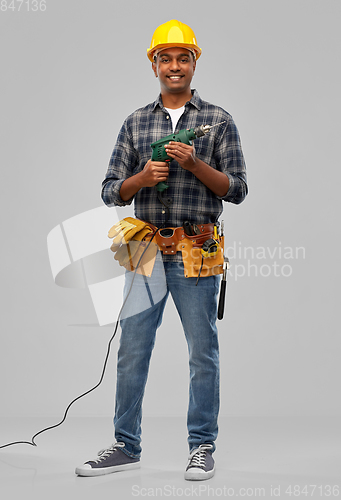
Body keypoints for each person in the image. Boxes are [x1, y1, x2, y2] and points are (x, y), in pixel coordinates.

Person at [75, 19, 247, 481]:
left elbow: (238, 189)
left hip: (198, 248)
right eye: (165, 58)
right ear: (154, 64)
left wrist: (196, 164)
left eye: (183, 58)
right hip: (146, 249)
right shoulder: (136, 122)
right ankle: (125, 446)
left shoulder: (219, 121)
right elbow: (111, 191)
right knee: (133, 349)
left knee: (202, 352)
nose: (175, 66)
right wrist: (140, 179)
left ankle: (201, 446)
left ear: (194, 63)